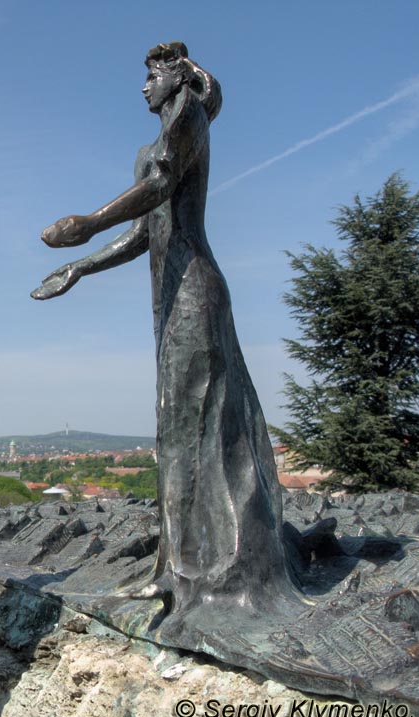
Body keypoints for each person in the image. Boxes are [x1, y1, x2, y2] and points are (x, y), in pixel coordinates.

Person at [34, 43, 300, 616]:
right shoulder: (146, 151)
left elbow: (158, 187)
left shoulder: (190, 122)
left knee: (198, 429)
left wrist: (87, 222)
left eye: (152, 76)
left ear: (178, 81)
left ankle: (211, 571)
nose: (143, 87)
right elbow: (143, 235)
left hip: (196, 294)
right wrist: (81, 266)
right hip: (169, 300)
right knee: (175, 435)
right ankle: (174, 566)